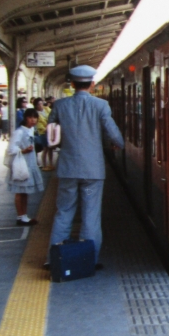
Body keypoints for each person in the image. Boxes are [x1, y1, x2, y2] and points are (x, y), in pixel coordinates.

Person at [47, 65, 125, 268]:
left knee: (64, 212)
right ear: (92, 84)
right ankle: (89, 260)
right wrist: (119, 143)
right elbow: (112, 132)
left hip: (68, 169)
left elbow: (51, 131)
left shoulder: (60, 105)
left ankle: (53, 258)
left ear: (72, 84)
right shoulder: (101, 105)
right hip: (92, 170)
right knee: (91, 215)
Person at [6, 108, 44, 226]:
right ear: (25, 118)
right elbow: (11, 149)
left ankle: (24, 216)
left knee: (25, 191)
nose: (33, 120)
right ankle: (20, 216)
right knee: (20, 191)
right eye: (30, 117)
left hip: (29, 163)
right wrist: (23, 150)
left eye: (35, 117)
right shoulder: (19, 132)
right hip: (21, 165)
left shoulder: (31, 130)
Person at [33, 97, 54, 171]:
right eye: (39, 104)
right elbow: (38, 124)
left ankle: (51, 164)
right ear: (36, 105)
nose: (41, 105)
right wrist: (46, 128)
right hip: (43, 132)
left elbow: (52, 115)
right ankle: (44, 165)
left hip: (50, 130)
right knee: (45, 149)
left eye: (42, 103)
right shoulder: (36, 113)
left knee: (50, 148)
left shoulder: (47, 109)